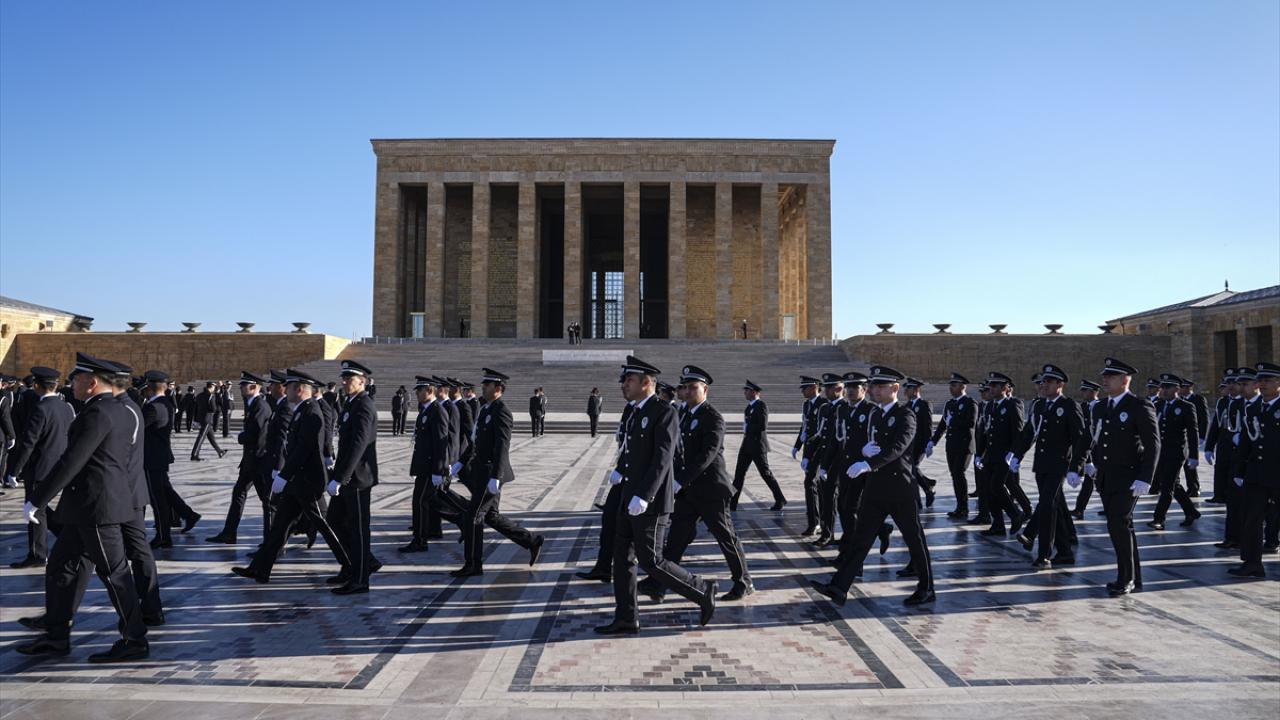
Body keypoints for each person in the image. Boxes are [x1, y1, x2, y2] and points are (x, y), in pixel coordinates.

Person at [17, 353, 150, 662]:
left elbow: (71, 461)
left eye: (76, 379)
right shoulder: (116, 408)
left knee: (115, 574)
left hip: (98, 508)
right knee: (60, 566)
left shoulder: (98, 413)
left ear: (91, 382)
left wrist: (37, 499)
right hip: (85, 507)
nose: (71, 383)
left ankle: (134, 639)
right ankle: (56, 635)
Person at [595, 356, 717, 635]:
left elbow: (662, 458)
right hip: (629, 497)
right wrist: (620, 470)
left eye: (630, 380)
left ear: (646, 383)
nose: (624, 384)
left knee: (652, 561)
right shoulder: (635, 411)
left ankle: (702, 589)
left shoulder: (665, 412)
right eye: (625, 380)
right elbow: (632, 450)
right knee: (622, 558)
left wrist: (644, 495)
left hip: (650, 502)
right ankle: (627, 617)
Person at [810, 365, 935, 607]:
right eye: (874, 385)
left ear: (895, 388)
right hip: (876, 488)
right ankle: (839, 587)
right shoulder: (876, 415)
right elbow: (870, 442)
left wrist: (868, 463)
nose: (875, 390)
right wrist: (864, 451)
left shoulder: (906, 415)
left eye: (881, 386)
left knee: (914, 539)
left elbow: (898, 448)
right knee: (861, 538)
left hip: (900, 488)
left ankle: (927, 588)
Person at [638, 365, 754, 602]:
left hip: (711, 490)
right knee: (676, 539)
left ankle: (744, 582)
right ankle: (659, 583)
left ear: (705, 390)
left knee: (726, 537)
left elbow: (706, 455)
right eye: (685, 387)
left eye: (693, 387)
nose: (688, 391)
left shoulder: (713, 417)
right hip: (689, 492)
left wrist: (680, 480)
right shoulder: (684, 414)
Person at [231, 369, 351, 586]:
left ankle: (351, 565)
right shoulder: (301, 410)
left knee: (325, 525)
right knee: (279, 526)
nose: (285, 391)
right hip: (298, 481)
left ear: (300, 389)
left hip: (309, 482)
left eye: (289, 387)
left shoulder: (311, 413)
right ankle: (260, 569)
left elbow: (303, 449)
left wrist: (283, 474)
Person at [453, 368, 544, 577]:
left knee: (473, 516)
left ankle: (473, 564)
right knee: (491, 516)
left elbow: (503, 445)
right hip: (481, 471)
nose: (483, 387)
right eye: (483, 384)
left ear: (498, 388)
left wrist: (496, 475)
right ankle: (531, 540)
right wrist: (460, 462)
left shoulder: (502, 410)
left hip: (490, 473)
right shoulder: (486, 409)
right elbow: (475, 441)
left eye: (487, 385)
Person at [1086, 357, 1159, 597]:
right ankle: (1134, 577)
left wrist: (1146, 477)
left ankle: (1125, 578)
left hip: (1130, 478)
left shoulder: (1139, 405)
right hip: (1106, 477)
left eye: (1111, 376)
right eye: (1104, 376)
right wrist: (1089, 463)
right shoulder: (1100, 407)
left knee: (1118, 524)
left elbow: (1153, 444)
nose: (1105, 380)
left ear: (1125, 380)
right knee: (1120, 525)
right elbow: (1095, 439)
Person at [1008, 364, 1089, 569]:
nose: (1043, 385)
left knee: (1046, 507)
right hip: (1041, 465)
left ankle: (1043, 555)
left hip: (1059, 466)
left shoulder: (1069, 406)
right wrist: (1017, 455)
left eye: (1049, 381)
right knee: (1055, 507)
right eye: (1043, 381)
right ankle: (1065, 553)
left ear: (1060, 384)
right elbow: (1029, 432)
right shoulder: (1039, 406)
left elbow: (1080, 439)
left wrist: (1078, 467)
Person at [6, 367, 74, 568]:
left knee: (34, 509)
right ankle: (66, 537)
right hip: (58, 466)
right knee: (40, 507)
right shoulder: (65, 407)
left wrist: (14, 471)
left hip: (40, 468)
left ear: (36, 385)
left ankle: (37, 554)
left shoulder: (40, 408)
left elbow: (29, 443)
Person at [327, 360, 380, 594]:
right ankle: (359, 564)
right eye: (344, 378)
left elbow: (359, 445)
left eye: (349, 378)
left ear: (362, 381)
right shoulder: (351, 403)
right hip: (347, 475)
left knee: (358, 529)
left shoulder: (364, 405)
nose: (344, 381)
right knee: (335, 520)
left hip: (358, 478)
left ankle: (360, 579)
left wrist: (342, 477)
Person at [1227, 361, 1280, 578]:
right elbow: (1247, 442)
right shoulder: (1253, 409)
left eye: (1268, 380)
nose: (1263, 384)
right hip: (1257, 473)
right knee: (1251, 518)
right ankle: (1252, 563)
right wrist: (1239, 470)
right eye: (1260, 380)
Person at [1147, 374, 1202, 531]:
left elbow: (1192, 432)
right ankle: (1191, 512)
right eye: (1162, 387)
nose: (1163, 390)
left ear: (1177, 389)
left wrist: (1194, 456)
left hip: (1176, 452)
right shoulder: (1157, 405)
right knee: (1172, 484)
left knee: (1167, 486)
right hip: (1161, 452)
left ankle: (1159, 519)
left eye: (1167, 387)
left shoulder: (1186, 406)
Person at [928, 373, 977, 519]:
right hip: (951, 446)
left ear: (963, 386)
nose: (951, 388)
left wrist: (954, 421)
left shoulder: (970, 403)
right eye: (950, 385)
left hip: (965, 446)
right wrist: (933, 441)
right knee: (954, 475)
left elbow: (971, 423)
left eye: (954, 385)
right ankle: (959, 506)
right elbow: (943, 425)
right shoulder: (949, 404)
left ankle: (964, 507)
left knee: (958, 474)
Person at [731, 380, 786, 511]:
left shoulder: (761, 406)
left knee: (765, 473)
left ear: (754, 392)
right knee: (739, 474)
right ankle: (732, 503)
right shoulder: (748, 408)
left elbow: (763, 426)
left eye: (747, 390)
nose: (744, 393)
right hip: (746, 445)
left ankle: (780, 499)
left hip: (757, 446)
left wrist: (748, 427)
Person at [792, 376, 827, 536]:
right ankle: (819, 522)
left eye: (805, 388)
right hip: (809, 450)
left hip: (820, 450)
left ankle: (815, 523)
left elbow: (823, 431)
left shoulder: (824, 404)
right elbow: (804, 426)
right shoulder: (806, 405)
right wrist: (798, 445)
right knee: (815, 486)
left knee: (811, 484)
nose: (802, 392)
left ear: (814, 387)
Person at [903, 378, 936, 508]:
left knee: (913, 468)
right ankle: (925, 489)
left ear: (916, 389)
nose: (906, 391)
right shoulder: (906, 406)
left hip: (920, 444)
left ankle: (927, 490)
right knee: (911, 470)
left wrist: (929, 444)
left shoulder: (924, 404)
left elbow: (928, 426)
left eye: (908, 388)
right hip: (909, 445)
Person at [190, 381, 226, 461]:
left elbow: (196, 408)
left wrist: (195, 419)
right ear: (212, 387)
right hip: (208, 419)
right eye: (214, 387)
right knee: (201, 437)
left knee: (211, 438)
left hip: (201, 418)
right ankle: (194, 455)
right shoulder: (210, 396)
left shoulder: (199, 395)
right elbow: (214, 408)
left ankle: (220, 451)